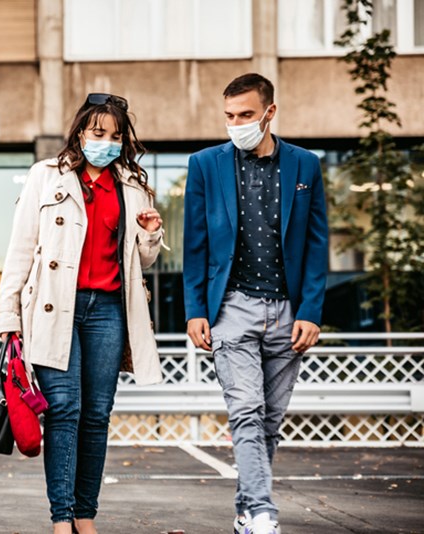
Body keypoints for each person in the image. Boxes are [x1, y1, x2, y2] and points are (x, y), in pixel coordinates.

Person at [0, 93, 166, 534]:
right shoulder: (45, 177)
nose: (105, 142)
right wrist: (8, 317)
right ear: (80, 132)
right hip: (55, 309)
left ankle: (86, 516)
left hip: (109, 309)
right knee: (64, 408)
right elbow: (19, 249)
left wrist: (151, 235)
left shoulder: (132, 185)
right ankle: (61, 517)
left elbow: (140, 263)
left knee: (97, 414)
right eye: (97, 133)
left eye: (114, 135)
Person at [183, 73, 328, 534]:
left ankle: (247, 511)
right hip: (232, 308)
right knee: (245, 410)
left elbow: (317, 243)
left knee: (268, 421)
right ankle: (264, 512)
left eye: (246, 115)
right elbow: (196, 246)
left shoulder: (306, 166)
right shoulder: (205, 165)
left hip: (288, 311)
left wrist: (310, 310)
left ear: (270, 112)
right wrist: (195, 309)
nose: (236, 124)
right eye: (229, 116)